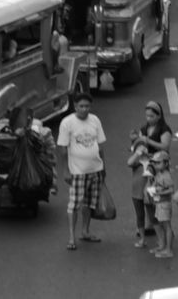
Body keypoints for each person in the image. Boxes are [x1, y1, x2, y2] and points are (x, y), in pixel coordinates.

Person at [57, 92, 106, 250]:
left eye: (87, 106)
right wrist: (65, 170)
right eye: (81, 106)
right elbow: (63, 149)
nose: (84, 109)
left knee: (89, 203)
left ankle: (85, 231)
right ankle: (71, 237)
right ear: (75, 106)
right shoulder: (67, 123)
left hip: (96, 169)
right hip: (77, 172)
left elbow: (100, 145)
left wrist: (103, 167)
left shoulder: (95, 120)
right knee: (74, 205)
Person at [129, 101, 172, 249]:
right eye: (147, 115)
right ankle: (149, 228)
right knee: (143, 199)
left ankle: (164, 230)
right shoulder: (144, 128)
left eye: (152, 116)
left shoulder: (164, 130)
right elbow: (139, 144)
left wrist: (149, 141)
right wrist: (137, 141)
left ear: (159, 116)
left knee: (155, 202)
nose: (149, 118)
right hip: (144, 163)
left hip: (157, 165)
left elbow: (165, 147)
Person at [144, 150, 175, 258]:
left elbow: (171, 189)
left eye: (159, 163)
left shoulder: (166, 175)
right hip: (159, 203)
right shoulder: (159, 174)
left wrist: (159, 192)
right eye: (155, 163)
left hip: (164, 204)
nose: (156, 165)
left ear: (166, 163)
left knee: (167, 226)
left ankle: (168, 250)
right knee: (162, 225)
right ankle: (164, 247)